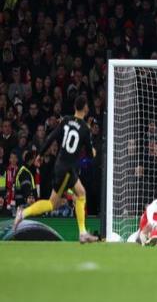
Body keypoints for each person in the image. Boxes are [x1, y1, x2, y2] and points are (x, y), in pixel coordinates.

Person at [13, 95, 98, 243]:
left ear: (75, 107)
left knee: (69, 197)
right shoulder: (85, 128)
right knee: (67, 198)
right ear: (85, 108)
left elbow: (51, 137)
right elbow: (90, 155)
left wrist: (39, 154)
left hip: (61, 165)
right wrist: (94, 151)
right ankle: (23, 213)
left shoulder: (66, 120)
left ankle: (82, 232)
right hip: (67, 168)